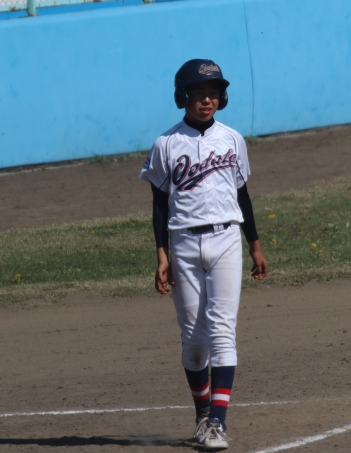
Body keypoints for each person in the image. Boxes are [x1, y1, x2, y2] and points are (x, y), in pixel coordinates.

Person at [138, 59, 268, 450]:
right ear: (183, 97)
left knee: (222, 331)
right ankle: (202, 415)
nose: (207, 100)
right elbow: (159, 204)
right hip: (183, 244)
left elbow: (242, 194)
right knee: (194, 340)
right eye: (198, 93)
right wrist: (162, 254)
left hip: (227, 239)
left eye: (213, 93)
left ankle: (217, 423)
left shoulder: (232, 139)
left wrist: (254, 245)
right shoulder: (166, 144)